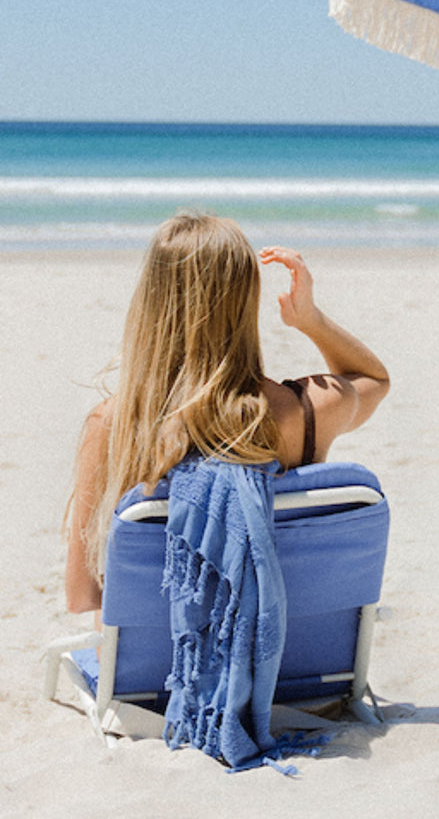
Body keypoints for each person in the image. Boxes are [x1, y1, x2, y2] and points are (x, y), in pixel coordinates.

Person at [64, 212, 389, 614]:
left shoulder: (115, 423)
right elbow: (374, 379)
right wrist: (310, 320)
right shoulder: (306, 413)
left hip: (157, 654)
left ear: (152, 301)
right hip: (293, 648)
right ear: (247, 298)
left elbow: (83, 598)